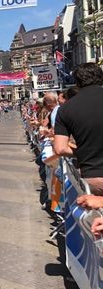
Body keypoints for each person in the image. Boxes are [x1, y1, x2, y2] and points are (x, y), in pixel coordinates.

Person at [55, 63, 103, 196]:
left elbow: (60, 148)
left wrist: (83, 152)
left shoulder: (65, 109)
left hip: (93, 177)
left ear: (77, 82)